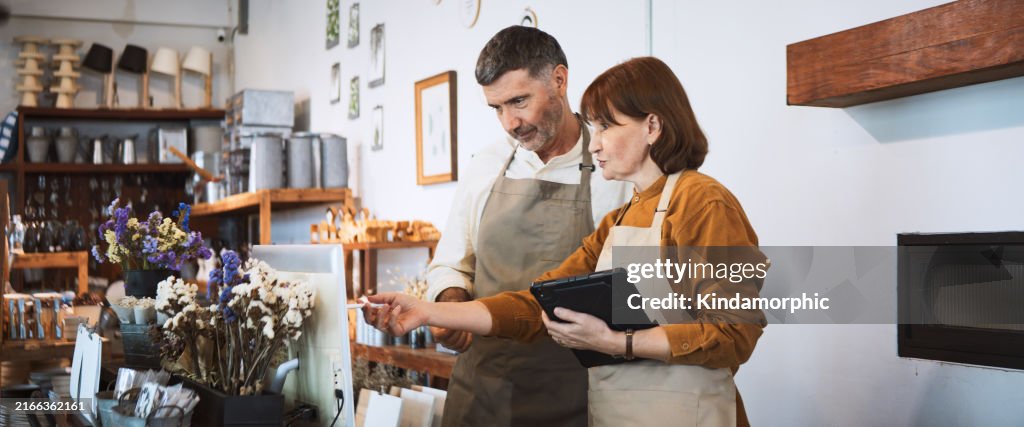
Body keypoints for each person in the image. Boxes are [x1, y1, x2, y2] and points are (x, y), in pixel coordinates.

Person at [367, 56, 767, 427]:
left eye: (607, 126)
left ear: (652, 126)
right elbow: (536, 302)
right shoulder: (620, 218)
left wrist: (618, 343)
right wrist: (425, 312)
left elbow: (735, 332)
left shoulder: (704, 203)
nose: (594, 143)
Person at [422, 26, 630, 426]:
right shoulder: (486, 164)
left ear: (559, 80)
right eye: (496, 108)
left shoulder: (613, 170)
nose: (509, 123)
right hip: (482, 393)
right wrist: (450, 304)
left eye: (519, 101)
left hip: (576, 395)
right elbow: (451, 263)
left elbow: (636, 292)